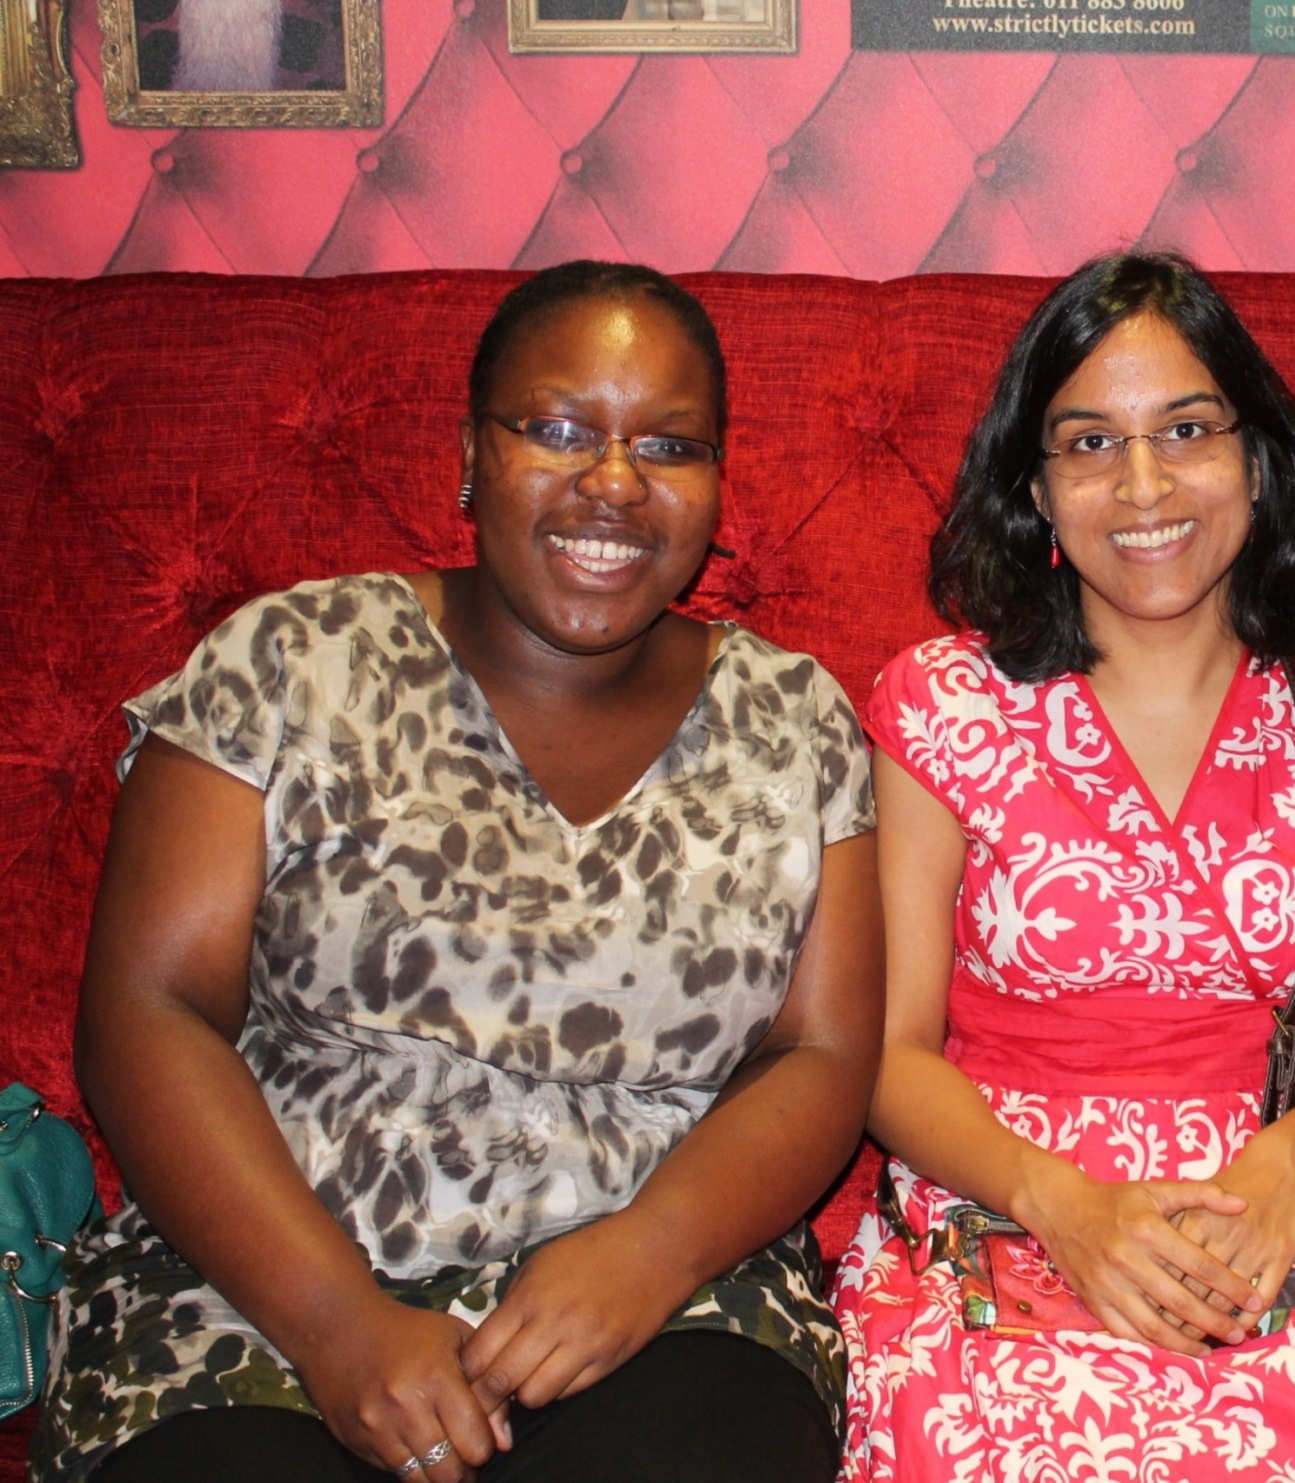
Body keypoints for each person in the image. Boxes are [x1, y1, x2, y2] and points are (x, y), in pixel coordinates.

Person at [34, 261, 882, 1483]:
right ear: (469, 456)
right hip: (262, 1277)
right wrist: (334, 1324)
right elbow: (147, 1012)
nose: (614, 481)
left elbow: (821, 1053)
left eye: (669, 445)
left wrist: (648, 1252)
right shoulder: (291, 660)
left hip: (665, 1294)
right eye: (556, 429)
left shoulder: (793, 717)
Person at [835, 254, 1295, 1481]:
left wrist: (1289, 1164)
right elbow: (887, 1052)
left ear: (1256, 458)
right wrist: (1061, 1204)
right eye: (1089, 443)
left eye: (1187, 430)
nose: (1141, 485)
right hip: (1006, 1183)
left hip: (1284, 1178)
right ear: (1034, 486)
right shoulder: (941, 701)